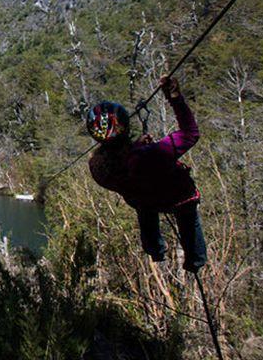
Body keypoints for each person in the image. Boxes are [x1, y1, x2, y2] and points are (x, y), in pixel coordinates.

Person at [87, 76, 206, 272]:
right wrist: (175, 97)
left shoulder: (99, 167)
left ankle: (156, 250)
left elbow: (125, 162)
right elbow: (190, 133)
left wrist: (137, 147)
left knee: (144, 210)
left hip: (144, 199)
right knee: (188, 220)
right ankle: (195, 261)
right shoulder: (149, 155)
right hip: (178, 195)